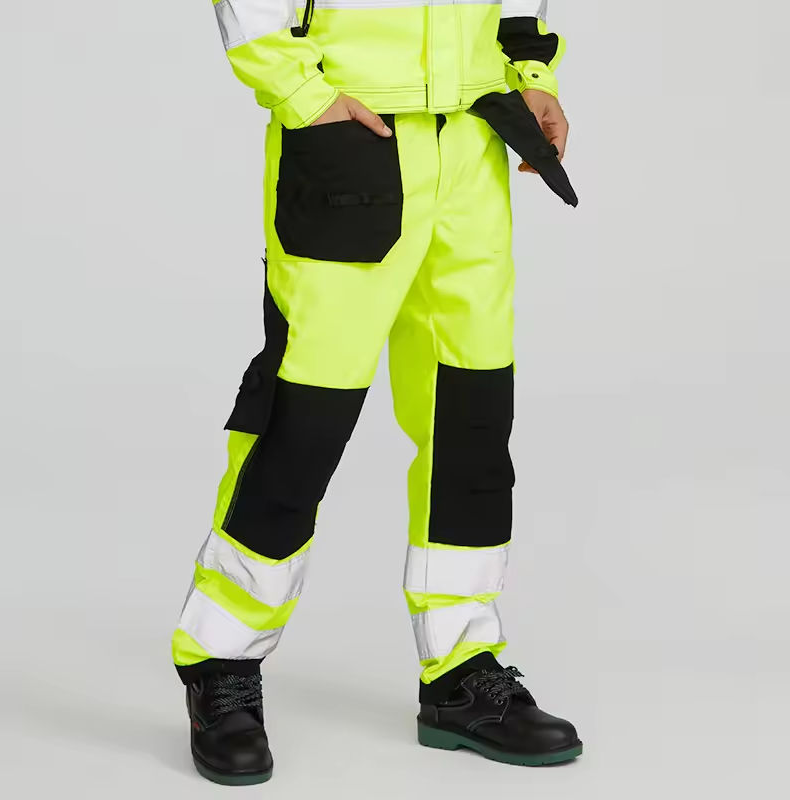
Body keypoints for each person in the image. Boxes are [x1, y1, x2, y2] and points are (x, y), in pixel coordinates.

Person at [172, 0, 582, 785]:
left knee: (471, 419)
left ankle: (461, 668)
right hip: (351, 137)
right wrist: (303, 93)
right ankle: (220, 661)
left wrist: (531, 72)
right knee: (304, 417)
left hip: (472, 142)